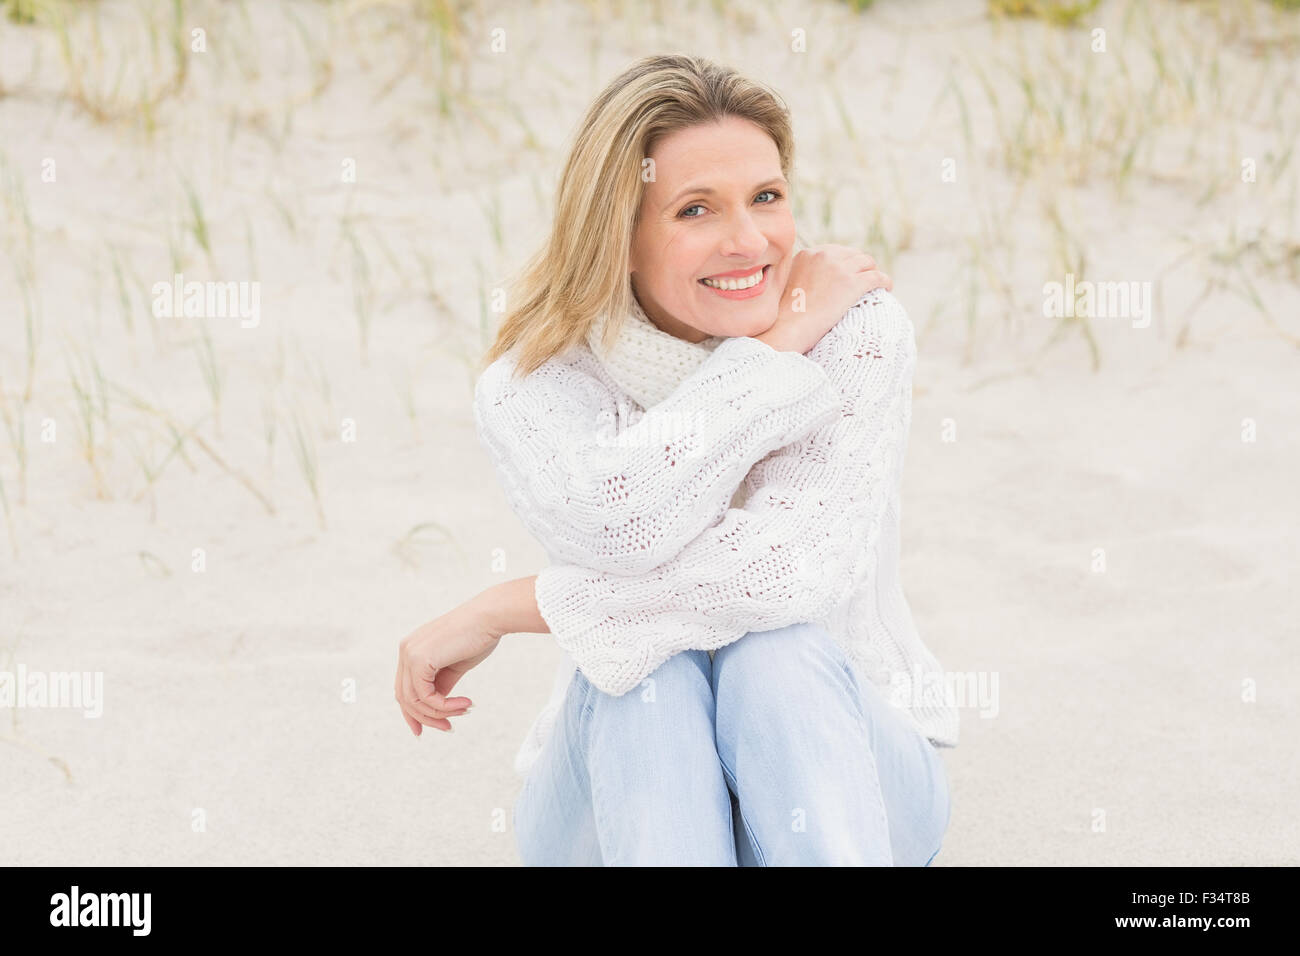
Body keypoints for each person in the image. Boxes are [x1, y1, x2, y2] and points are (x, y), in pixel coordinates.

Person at [395, 53, 959, 866]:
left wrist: (504, 607)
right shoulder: (536, 383)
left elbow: (782, 577)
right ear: (617, 235)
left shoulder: (857, 332)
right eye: (696, 210)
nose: (749, 241)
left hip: (847, 785)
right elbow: (619, 520)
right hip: (624, 801)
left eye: (766, 197)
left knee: (779, 653)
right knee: (639, 677)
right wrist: (772, 350)